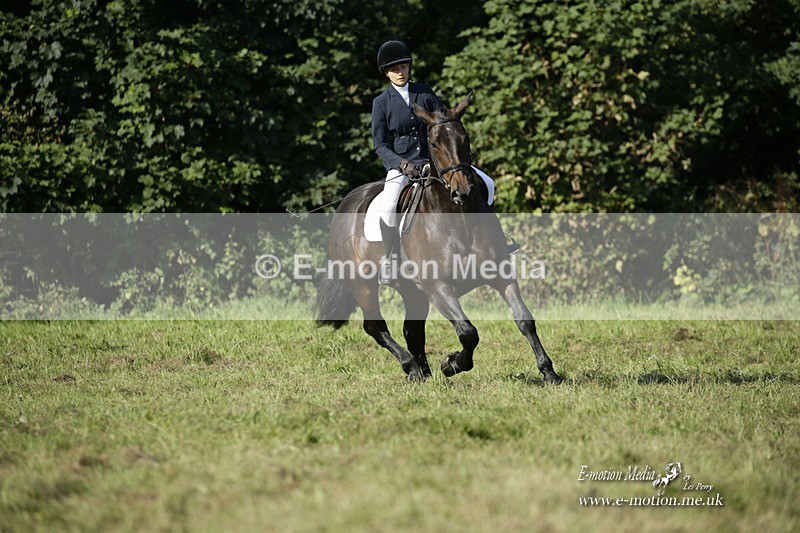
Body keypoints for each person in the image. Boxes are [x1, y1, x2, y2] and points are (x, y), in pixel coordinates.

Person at [370, 40, 497, 286]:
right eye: (395, 68)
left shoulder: (425, 92)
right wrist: (402, 164)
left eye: (404, 67)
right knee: (387, 205)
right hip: (403, 166)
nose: (400, 72)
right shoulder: (381, 103)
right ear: (386, 72)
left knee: (488, 183)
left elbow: (444, 124)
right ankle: (391, 260)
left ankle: (494, 240)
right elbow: (380, 144)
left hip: (438, 162)